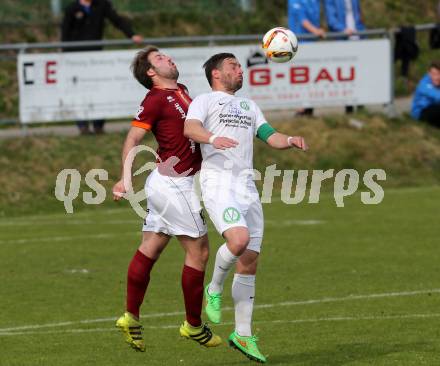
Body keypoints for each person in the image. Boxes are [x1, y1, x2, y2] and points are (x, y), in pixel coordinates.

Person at [184, 53, 307, 363]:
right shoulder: (205, 100)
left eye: (239, 66)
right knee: (237, 242)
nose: (240, 70)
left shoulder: (249, 106)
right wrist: (213, 137)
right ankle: (214, 288)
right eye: (233, 66)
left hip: (247, 189)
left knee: (249, 261)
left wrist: (289, 138)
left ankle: (243, 334)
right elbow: (190, 128)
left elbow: (269, 136)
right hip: (218, 184)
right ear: (216, 73)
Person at [112, 46, 221, 352]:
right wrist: (124, 177)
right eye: (159, 58)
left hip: (170, 182)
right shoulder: (155, 99)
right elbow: (133, 138)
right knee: (198, 253)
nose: (168, 58)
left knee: (151, 246)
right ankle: (193, 325)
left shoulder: (183, 91)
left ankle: (130, 317)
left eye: (166, 55)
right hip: (176, 185)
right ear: (150, 72)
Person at [61, 0, 143, 135]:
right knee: (78, 91)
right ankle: (82, 125)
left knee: (99, 89)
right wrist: (66, 56)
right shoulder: (72, 9)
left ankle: (98, 125)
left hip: (95, 59)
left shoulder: (102, 5)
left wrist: (131, 34)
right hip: (76, 60)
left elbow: (117, 20)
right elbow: (65, 33)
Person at [324, 0, 365, 113]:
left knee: (358, 71)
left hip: (357, 37)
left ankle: (361, 101)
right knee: (345, 72)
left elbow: (358, 16)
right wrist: (343, 29)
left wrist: (361, 32)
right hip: (342, 38)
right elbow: (331, 20)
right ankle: (349, 105)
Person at [288, 0, 326, 116]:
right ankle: (301, 109)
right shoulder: (294, 1)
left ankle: (308, 108)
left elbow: (316, 20)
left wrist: (318, 31)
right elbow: (302, 20)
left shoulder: (315, 1)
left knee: (311, 77)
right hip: (299, 44)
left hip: (312, 44)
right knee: (300, 77)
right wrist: (317, 31)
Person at [411, 61, 440, 127]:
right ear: (429, 73)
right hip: (421, 113)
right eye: (434, 74)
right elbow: (437, 96)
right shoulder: (423, 84)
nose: (437, 77)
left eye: (439, 74)